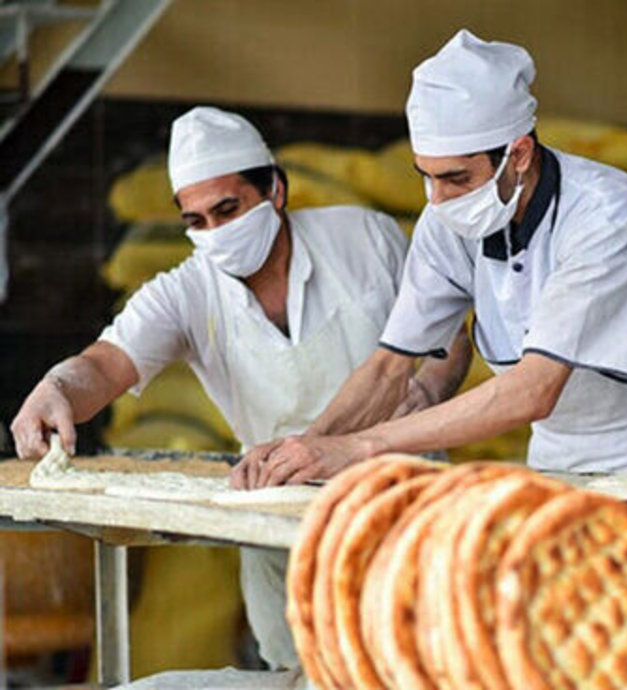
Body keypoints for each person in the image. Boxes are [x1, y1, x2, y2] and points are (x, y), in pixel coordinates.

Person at [8, 106, 472, 668]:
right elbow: (105, 365)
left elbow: (450, 341)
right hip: (276, 519)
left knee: (424, 666)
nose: (216, 233)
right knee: (303, 672)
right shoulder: (186, 291)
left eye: (228, 209)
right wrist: (56, 386)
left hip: (403, 500)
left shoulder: (365, 239)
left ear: (275, 189)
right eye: (196, 221)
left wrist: (423, 396)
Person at [248, 30, 627, 507]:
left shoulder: (604, 212)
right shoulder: (447, 221)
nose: (437, 200)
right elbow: (389, 367)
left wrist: (360, 446)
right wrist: (305, 449)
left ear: (518, 154)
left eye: (456, 178)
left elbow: (533, 390)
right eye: (427, 178)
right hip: (554, 457)